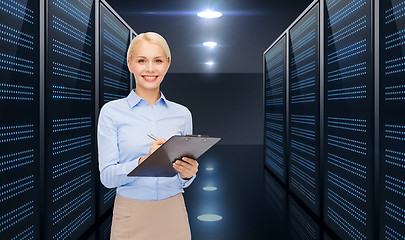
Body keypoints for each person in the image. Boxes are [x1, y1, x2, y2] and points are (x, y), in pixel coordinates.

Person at [97, 32, 198, 240]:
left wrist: (188, 173)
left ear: (167, 64)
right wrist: (144, 161)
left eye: (158, 61)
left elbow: (182, 179)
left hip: (174, 213)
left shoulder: (182, 114)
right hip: (131, 214)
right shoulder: (111, 112)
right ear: (130, 64)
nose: (150, 69)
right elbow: (107, 177)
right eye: (142, 60)